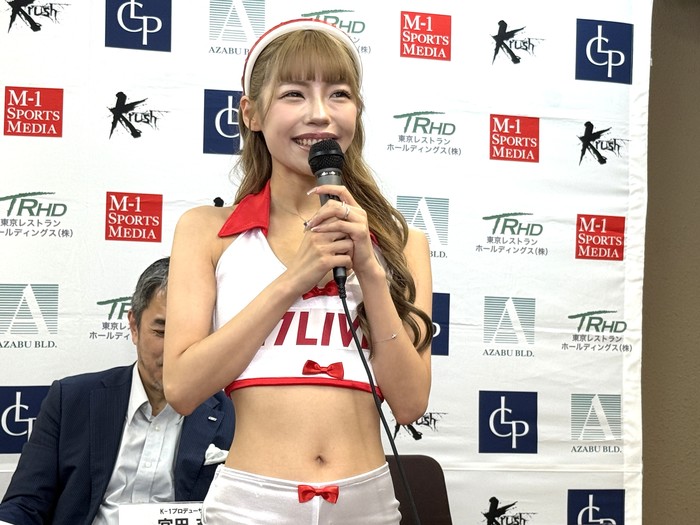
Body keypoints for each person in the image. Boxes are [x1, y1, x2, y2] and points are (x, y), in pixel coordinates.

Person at [163, 18, 433, 525]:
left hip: (367, 505)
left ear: (357, 112)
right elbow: (181, 388)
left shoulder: (401, 243)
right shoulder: (207, 231)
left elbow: (410, 403)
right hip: (250, 506)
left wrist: (371, 273)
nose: (319, 114)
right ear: (251, 113)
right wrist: (294, 279)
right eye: (294, 94)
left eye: (338, 94)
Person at [0, 257, 235, 525]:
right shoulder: (70, 400)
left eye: (194, 333)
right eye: (161, 332)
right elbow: (25, 503)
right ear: (134, 326)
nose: (176, 350)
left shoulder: (235, 415)